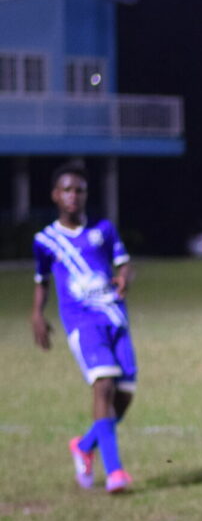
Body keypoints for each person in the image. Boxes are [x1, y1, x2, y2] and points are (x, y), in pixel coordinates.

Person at [30, 162, 137, 493]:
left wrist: (124, 278)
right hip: (81, 322)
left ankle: (84, 446)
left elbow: (124, 264)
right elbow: (41, 281)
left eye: (79, 190)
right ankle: (115, 472)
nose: (73, 196)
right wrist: (37, 313)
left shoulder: (103, 230)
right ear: (55, 195)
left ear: (86, 195)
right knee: (103, 385)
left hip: (115, 317)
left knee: (124, 395)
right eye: (67, 190)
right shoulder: (46, 241)